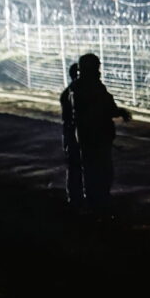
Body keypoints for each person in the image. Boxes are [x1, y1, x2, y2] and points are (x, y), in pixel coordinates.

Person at [69, 53, 131, 213]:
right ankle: (98, 202)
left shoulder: (80, 87)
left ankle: (95, 200)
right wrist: (119, 112)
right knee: (99, 169)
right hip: (96, 135)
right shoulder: (90, 87)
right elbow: (104, 108)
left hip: (89, 135)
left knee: (94, 169)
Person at [60, 62, 83, 207]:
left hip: (71, 133)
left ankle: (75, 197)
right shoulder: (76, 91)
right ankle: (77, 197)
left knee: (74, 166)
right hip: (77, 133)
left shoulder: (69, 91)